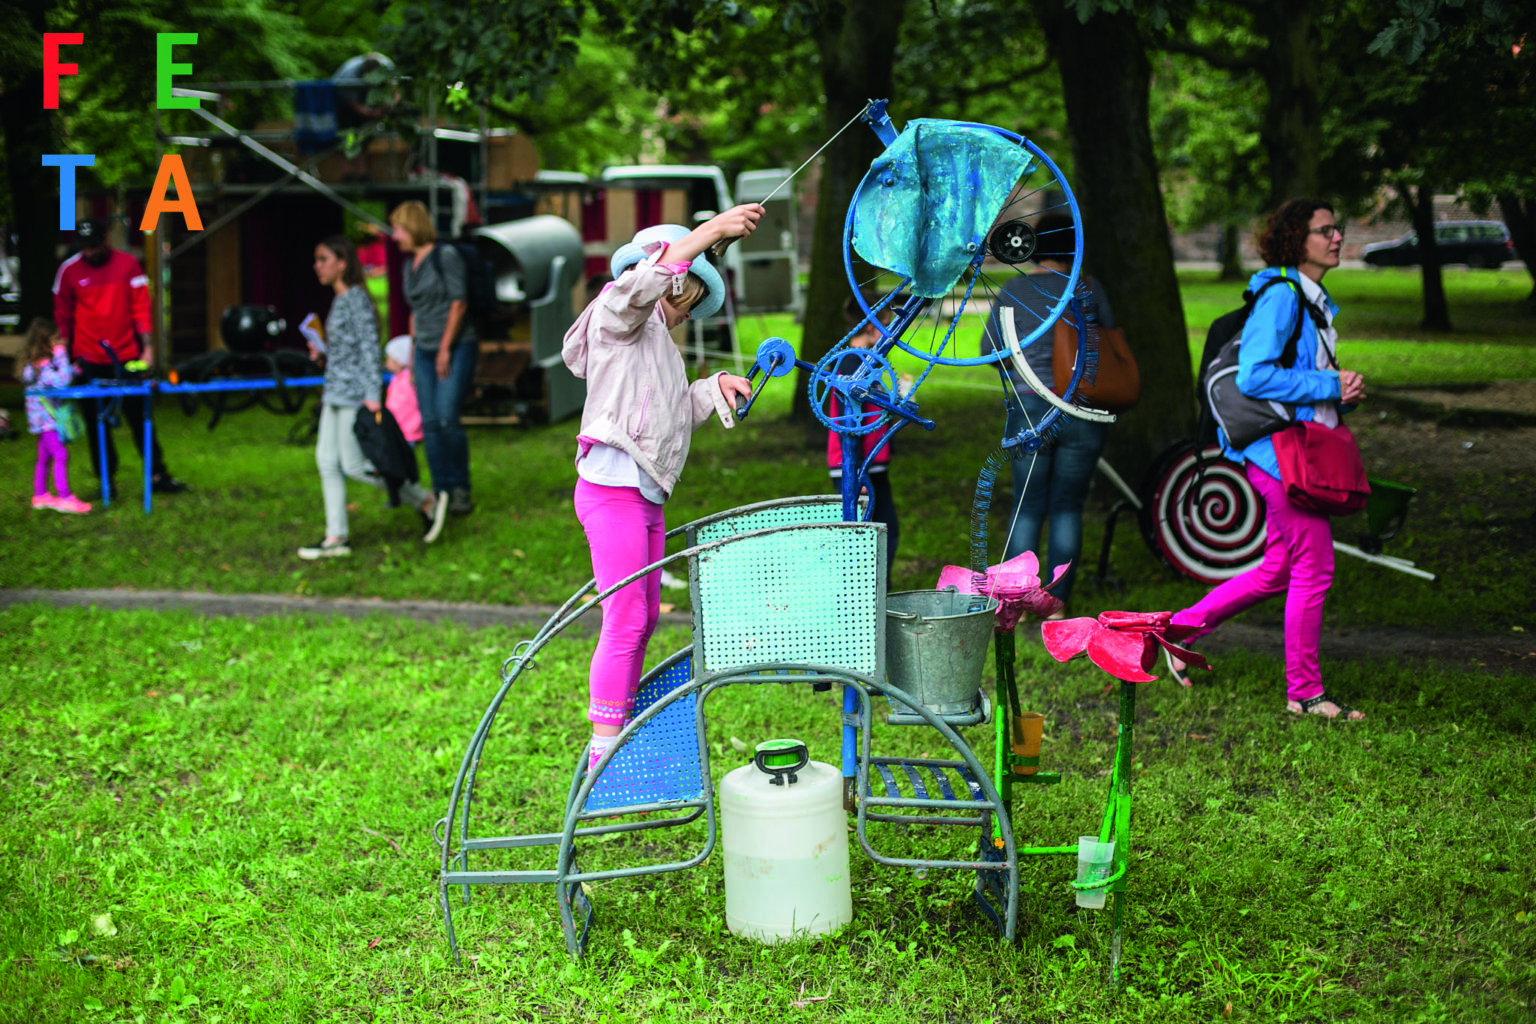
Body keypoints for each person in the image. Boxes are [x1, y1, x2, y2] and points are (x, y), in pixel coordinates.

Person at [563, 204, 763, 770]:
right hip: (612, 492)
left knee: (646, 616)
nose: (682, 314)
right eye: (681, 301)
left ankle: (620, 725)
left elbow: (670, 411)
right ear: (663, 281)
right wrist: (711, 231)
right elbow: (640, 287)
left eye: (689, 307)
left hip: (646, 495)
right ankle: (604, 747)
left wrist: (715, 386)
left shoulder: (659, 347)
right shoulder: (618, 315)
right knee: (625, 617)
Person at [1167, 199, 1366, 721]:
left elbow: (1295, 380)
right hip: (1277, 454)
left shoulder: (1310, 301)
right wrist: (1329, 385)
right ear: (1296, 239)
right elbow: (1254, 375)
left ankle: (1177, 632)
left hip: (1290, 449)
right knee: (1315, 568)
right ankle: (1305, 693)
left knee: (1279, 569)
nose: (1337, 237)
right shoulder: (1282, 296)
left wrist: (1338, 391)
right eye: (1325, 230)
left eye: (1337, 228)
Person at [979, 211, 1114, 613]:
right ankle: (1056, 605)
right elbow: (1110, 340)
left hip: (1029, 407)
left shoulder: (1014, 288)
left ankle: (1018, 604)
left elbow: (989, 350)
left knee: (1027, 505)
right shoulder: (1088, 288)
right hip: (1082, 407)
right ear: (1073, 247)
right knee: (1068, 507)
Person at [299, 235, 446, 560]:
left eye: (323, 259)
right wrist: (323, 352)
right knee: (327, 462)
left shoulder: (356, 300)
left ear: (342, 264)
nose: (317, 266)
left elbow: (368, 349)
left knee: (353, 465)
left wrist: (371, 395)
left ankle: (424, 499)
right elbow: (349, 350)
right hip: (334, 392)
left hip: (353, 395)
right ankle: (336, 537)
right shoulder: (341, 300)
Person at [52, 217, 188, 497]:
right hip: (87, 359)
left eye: (94, 245)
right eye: (84, 247)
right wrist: (63, 356)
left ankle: (157, 475)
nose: (89, 252)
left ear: (105, 240)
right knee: (96, 423)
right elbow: (63, 316)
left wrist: (148, 349)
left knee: (140, 417)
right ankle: (106, 481)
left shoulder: (128, 264)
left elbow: (141, 308)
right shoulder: (68, 271)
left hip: (126, 356)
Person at [390, 200, 476, 517]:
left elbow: (458, 303)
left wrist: (444, 349)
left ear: (412, 226)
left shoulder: (445, 256)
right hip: (424, 350)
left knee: (446, 417)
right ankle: (441, 488)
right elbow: (415, 311)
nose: (394, 236)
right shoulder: (408, 265)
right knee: (428, 422)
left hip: (455, 346)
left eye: (398, 228)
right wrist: (413, 355)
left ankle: (460, 487)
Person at [825, 292, 901, 582]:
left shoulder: (864, 361)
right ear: (871, 326)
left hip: (871, 465)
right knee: (870, 542)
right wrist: (857, 471)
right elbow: (849, 423)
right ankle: (870, 597)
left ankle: (878, 595)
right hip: (859, 467)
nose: (888, 330)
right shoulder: (853, 364)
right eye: (886, 323)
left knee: (885, 534)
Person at [18, 317, 90, 514]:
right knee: (60, 454)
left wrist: (74, 369)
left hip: (40, 420)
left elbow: (58, 379)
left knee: (44, 456)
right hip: (47, 420)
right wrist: (61, 355)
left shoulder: (36, 366)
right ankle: (65, 497)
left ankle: (40, 495)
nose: (60, 342)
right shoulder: (42, 367)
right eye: (56, 339)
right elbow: (62, 381)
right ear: (45, 343)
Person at [383, 335, 423, 445]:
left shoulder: (408, 380)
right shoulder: (396, 378)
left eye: (389, 359)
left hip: (408, 429)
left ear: (399, 361)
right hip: (397, 427)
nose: (386, 363)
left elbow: (413, 404)